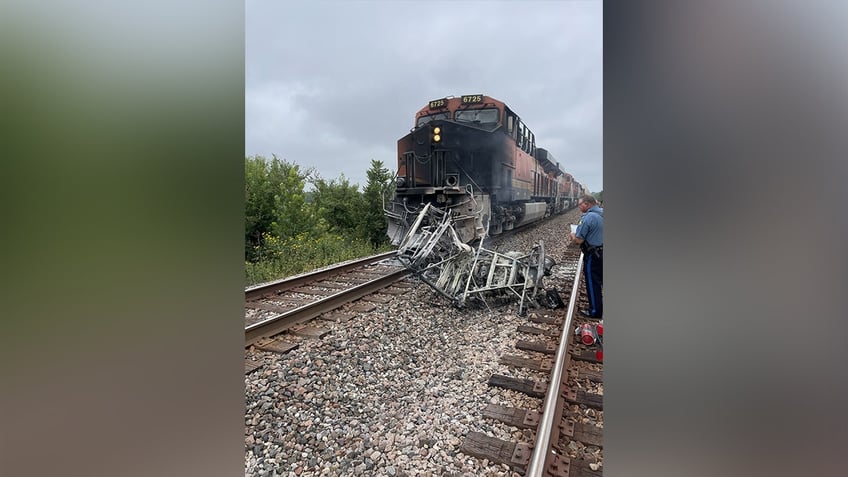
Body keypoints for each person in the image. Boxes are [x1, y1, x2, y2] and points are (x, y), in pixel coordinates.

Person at [569, 195, 603, 318]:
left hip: (594, 255)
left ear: (587, 204)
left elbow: (578, 240)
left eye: (580, 204)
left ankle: (595, 311)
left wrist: (572, 235)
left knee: (593, 283)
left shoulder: (588, 218)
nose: (579, 207)